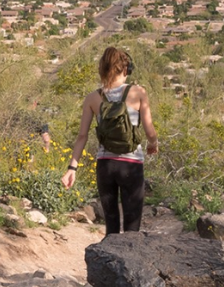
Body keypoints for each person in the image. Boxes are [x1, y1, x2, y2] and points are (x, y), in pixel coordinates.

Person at [61, 46, 157, 235]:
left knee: (111, 224)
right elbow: (149, 130)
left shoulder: (92, 98)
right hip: (131, 165)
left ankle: (107, 263)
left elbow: (82, 136)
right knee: (132, 225)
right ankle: (129, 263)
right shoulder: (138, 92)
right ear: (125, 69)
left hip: (105, 165)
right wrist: (153, 144)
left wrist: (72, 168)